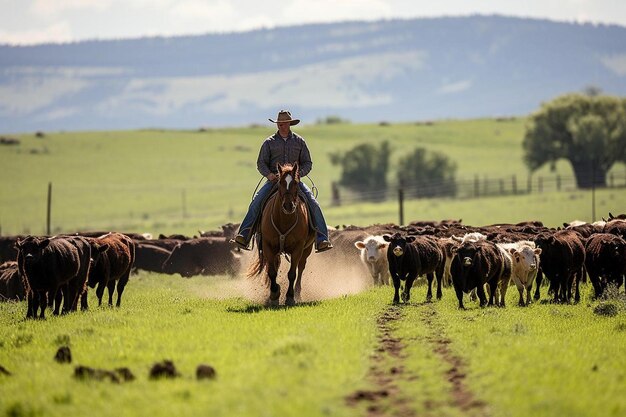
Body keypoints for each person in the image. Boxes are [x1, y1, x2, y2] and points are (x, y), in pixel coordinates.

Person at [234, 110, 333, 253]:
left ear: (290, 124)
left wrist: (297, 176)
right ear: (277, 124)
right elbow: (261, 163)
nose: (282, 126)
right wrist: (269, 175)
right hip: (275, 182)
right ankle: (244, 234)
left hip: (294, 183)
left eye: (284, 123)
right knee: (257, 201)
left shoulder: (299, 142)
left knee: (313, 203)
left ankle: (322, 239)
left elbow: (307, 163)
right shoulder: (269, 143)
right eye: (279, 123)